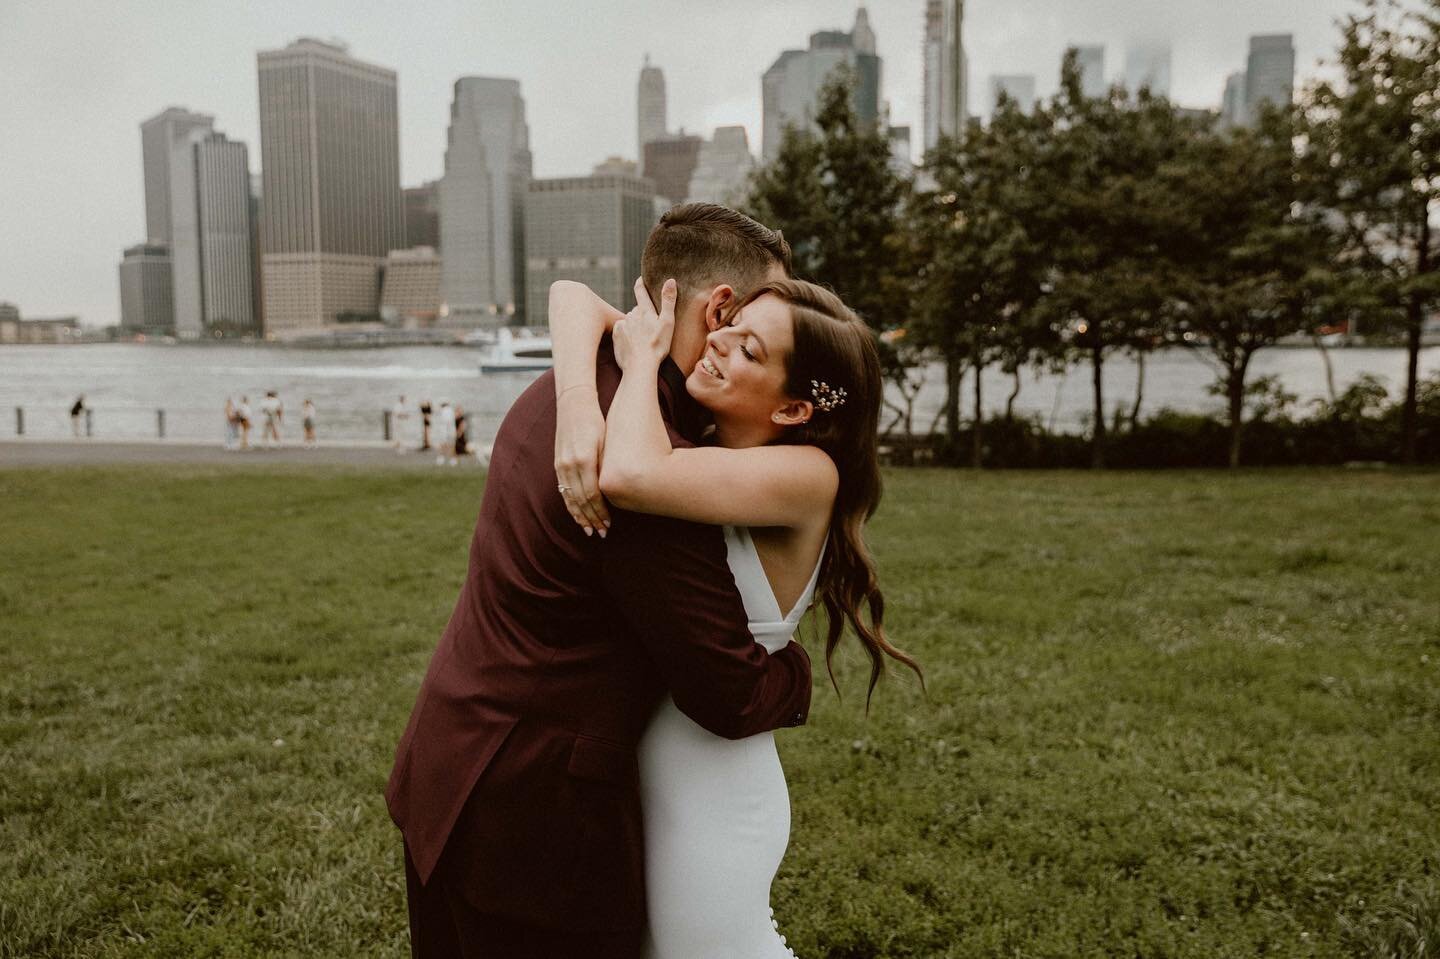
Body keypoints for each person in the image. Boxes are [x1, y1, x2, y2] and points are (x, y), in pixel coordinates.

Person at [387, 204, 811, 959]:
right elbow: (728, 691)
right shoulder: (653, 476)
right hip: (537, 829)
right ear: (720, 308)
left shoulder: (568, 384)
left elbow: (574, 299)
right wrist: (797, 669)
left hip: (449, 761)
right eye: (758, 318)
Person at [549, 271, 921, 957]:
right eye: (729, 328)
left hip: (715, 801)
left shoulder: (809, 474)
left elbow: (628, 477)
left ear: (791, 410)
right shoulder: (709, 443)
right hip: (659, 780)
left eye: (750, 351)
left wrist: (638, 362)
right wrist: (576, 399)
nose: (717, 345)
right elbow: (571, 297)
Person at [435, 401, 457, 466]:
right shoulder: (451, 410)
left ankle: (441, 458)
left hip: (445, 429)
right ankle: (452, 459)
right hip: (450, 429)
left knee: (443, 444)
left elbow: (446, 421)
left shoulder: (444, 410)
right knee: (451, 445)